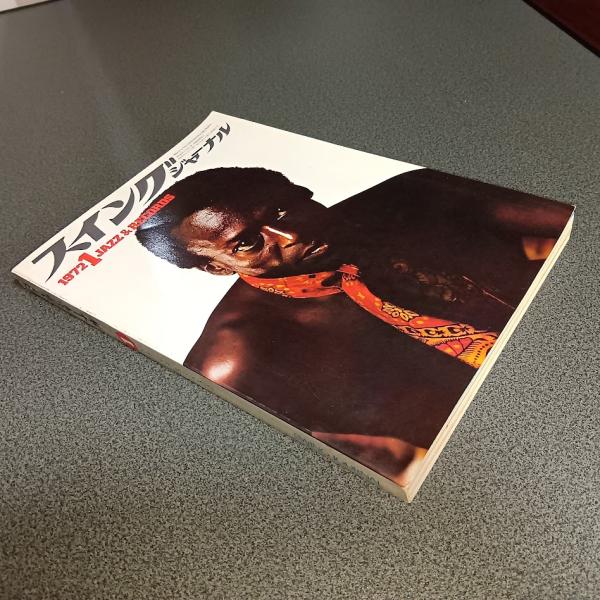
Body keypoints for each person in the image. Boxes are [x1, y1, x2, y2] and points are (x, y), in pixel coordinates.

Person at [135, 167, 571, 484]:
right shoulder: (235, 362)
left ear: (302, 190)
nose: (290, 236)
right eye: (247, 243)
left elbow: (579, 226)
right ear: (215, 267)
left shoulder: (413, 196)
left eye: (283, 210)